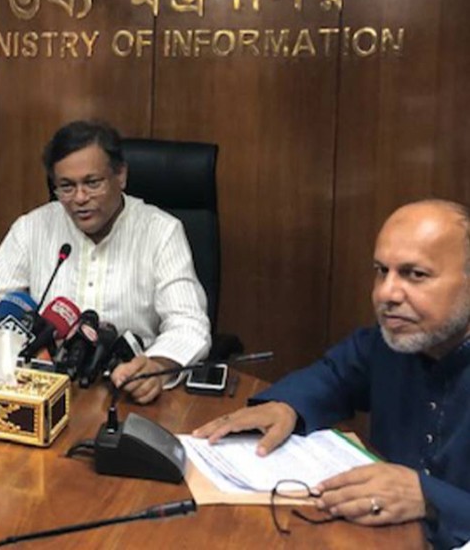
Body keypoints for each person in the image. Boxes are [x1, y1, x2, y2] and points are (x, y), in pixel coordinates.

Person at [193, 199, 470, 549]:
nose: (387, 293)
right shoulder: (389, 343)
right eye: (382, 271)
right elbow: (334, 376)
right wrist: (285, 406)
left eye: (416, 274)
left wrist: (430, 498)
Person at [0, 120, 211, 403]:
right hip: (41, 388)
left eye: (92, 183)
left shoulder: (161, 231)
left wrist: (158, 367)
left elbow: (188, 322)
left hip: (125, 392)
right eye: (66, 187)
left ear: (120, 175)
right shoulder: (32, 227)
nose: (80, 198)